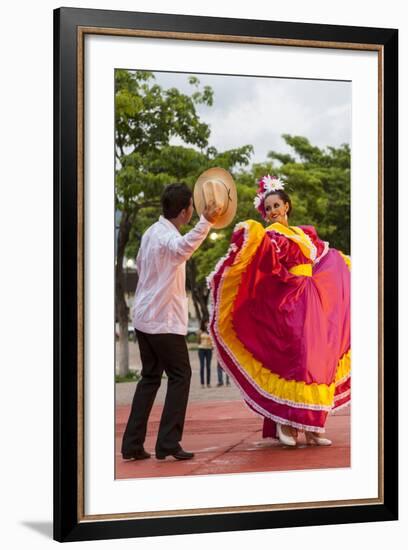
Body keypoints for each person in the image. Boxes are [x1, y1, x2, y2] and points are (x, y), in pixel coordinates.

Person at [207, 175, 351, 447]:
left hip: (313, 299)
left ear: (286, 206)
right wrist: (252, 233)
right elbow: (268, 259)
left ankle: (312, 427)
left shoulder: (303, 233)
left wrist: (343, 266)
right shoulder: (273, 236)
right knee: (295, 360)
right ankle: (286, 423)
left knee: (315, 361)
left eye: (276, 205)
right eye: (268, 208)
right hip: (289, 299)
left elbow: (323, 258)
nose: (272, 211)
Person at [121, 183, 221, 461]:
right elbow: (182, 248)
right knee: (181, 376)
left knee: (150, 378)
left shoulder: (152, 232)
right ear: (185, 211)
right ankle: (167, 442)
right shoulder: (167, 237)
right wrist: (207, 222)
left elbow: (142, 266)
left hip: (144, 317)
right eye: (192, 206)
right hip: (162, 320)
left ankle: (132, 444)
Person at [197, 320, 213, 388]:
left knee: (208, 367)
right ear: (203, 323)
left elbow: (213, 340)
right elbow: (198, 341)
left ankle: (208, 383)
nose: (206, 324)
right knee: (202, 366)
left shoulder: (210, 331)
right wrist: (199, 334)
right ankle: (202, 383)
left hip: (209, 349)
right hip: (201, 349)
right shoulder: (200, 331)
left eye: (207, 322)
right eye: (205, 322)